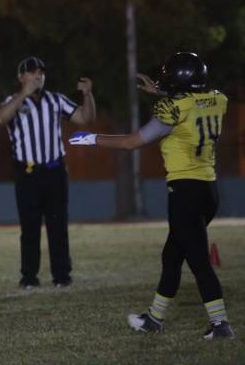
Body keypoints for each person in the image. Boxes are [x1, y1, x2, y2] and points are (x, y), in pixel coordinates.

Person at [69, 52, 234, 340]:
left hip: (185, 190)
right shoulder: (218, 100)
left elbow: (133, 142)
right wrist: (159, 91)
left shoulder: (172, 108)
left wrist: (93, 139)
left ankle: (221, 325)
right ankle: (153, 319)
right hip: (208, 190)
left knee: (197, 260)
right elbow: (193, 100)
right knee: (172, 256)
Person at [0, 56, 95, 289]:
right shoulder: (14, 101)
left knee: (58, 226)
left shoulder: (55, 100)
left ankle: (62, 276)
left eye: (40, 72)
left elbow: (85, 118)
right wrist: (23, 95)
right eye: (31, 72)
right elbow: (0, 118)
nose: (38, 76)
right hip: (27, 172)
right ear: (21, 77)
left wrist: (88, 95)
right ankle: (29, 276)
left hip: (54, 170)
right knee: (29, 227)